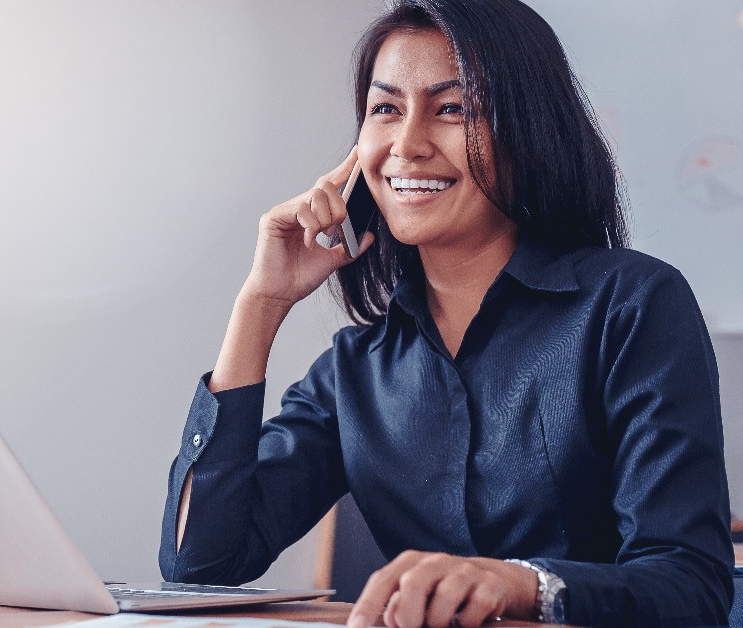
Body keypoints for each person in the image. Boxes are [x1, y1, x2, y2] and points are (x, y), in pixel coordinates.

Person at [157, 1, 733, 627]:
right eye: (386, 109)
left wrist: (521, 584)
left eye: (453, 108)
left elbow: (691, 586)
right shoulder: (357, 369)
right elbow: (199, 563)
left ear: (527, 130)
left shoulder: (632, 304)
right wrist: (260, 305)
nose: (407, 145)